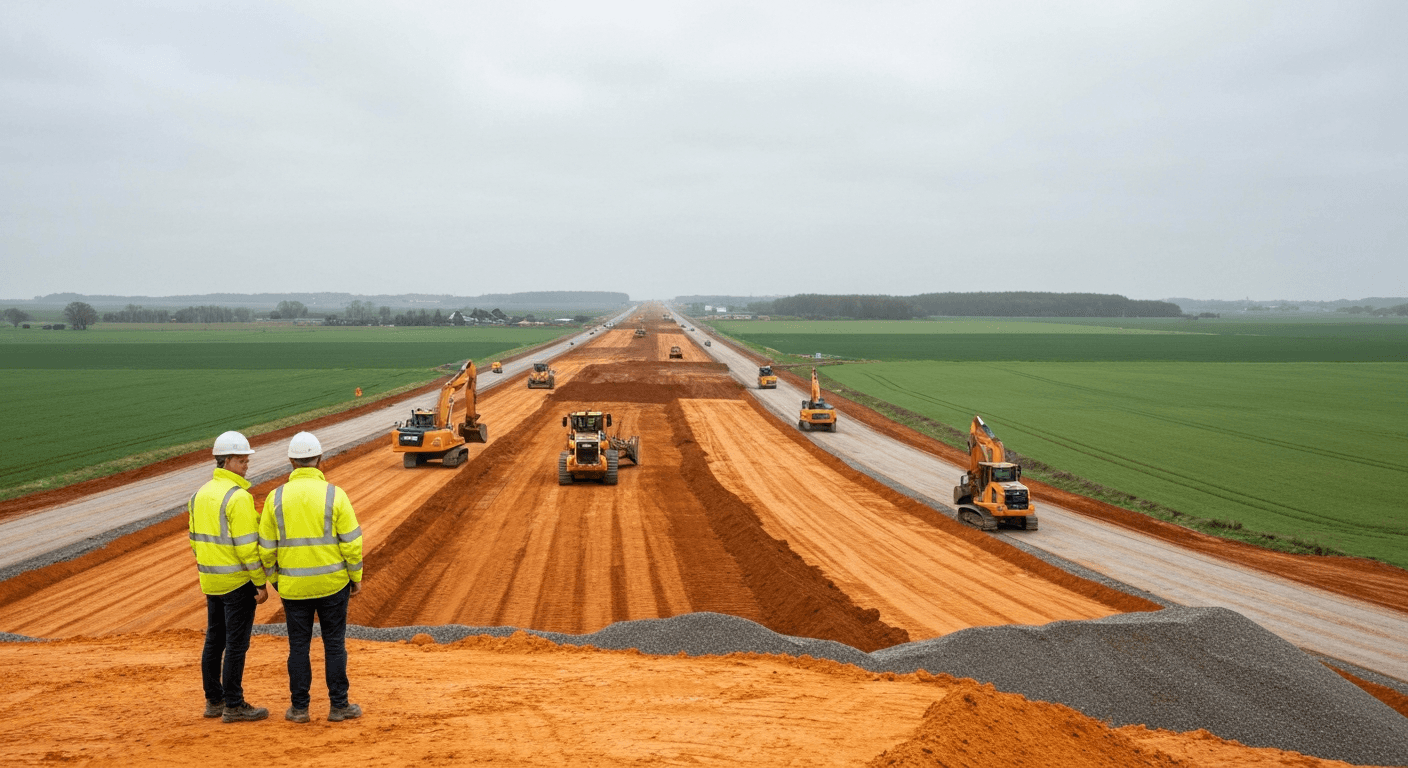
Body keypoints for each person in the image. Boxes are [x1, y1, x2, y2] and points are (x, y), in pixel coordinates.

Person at [259, 431, 364, 724]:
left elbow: (265, 549)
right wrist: (355, 576)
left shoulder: (275, 498)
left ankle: (300, 708)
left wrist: (277, 580)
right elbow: (352, 543)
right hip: (333, 585)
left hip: (293, 588)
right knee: (334, 644)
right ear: (319, 460)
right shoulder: (335, 494)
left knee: (299, 647)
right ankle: (339, 706)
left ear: (291, 461)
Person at [189, 430, 270, 723]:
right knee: (236, 644)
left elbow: (194, 540)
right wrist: (259, 583)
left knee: (214, 640)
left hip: (211, 581)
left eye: (246, 460)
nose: (246, 464)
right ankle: (233, 705)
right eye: (241, 460)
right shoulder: (238, 498)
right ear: (225, 461)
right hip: (237, 582)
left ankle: (214, 701)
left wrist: (210, 565)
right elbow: (248, 548)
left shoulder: (198, 495)